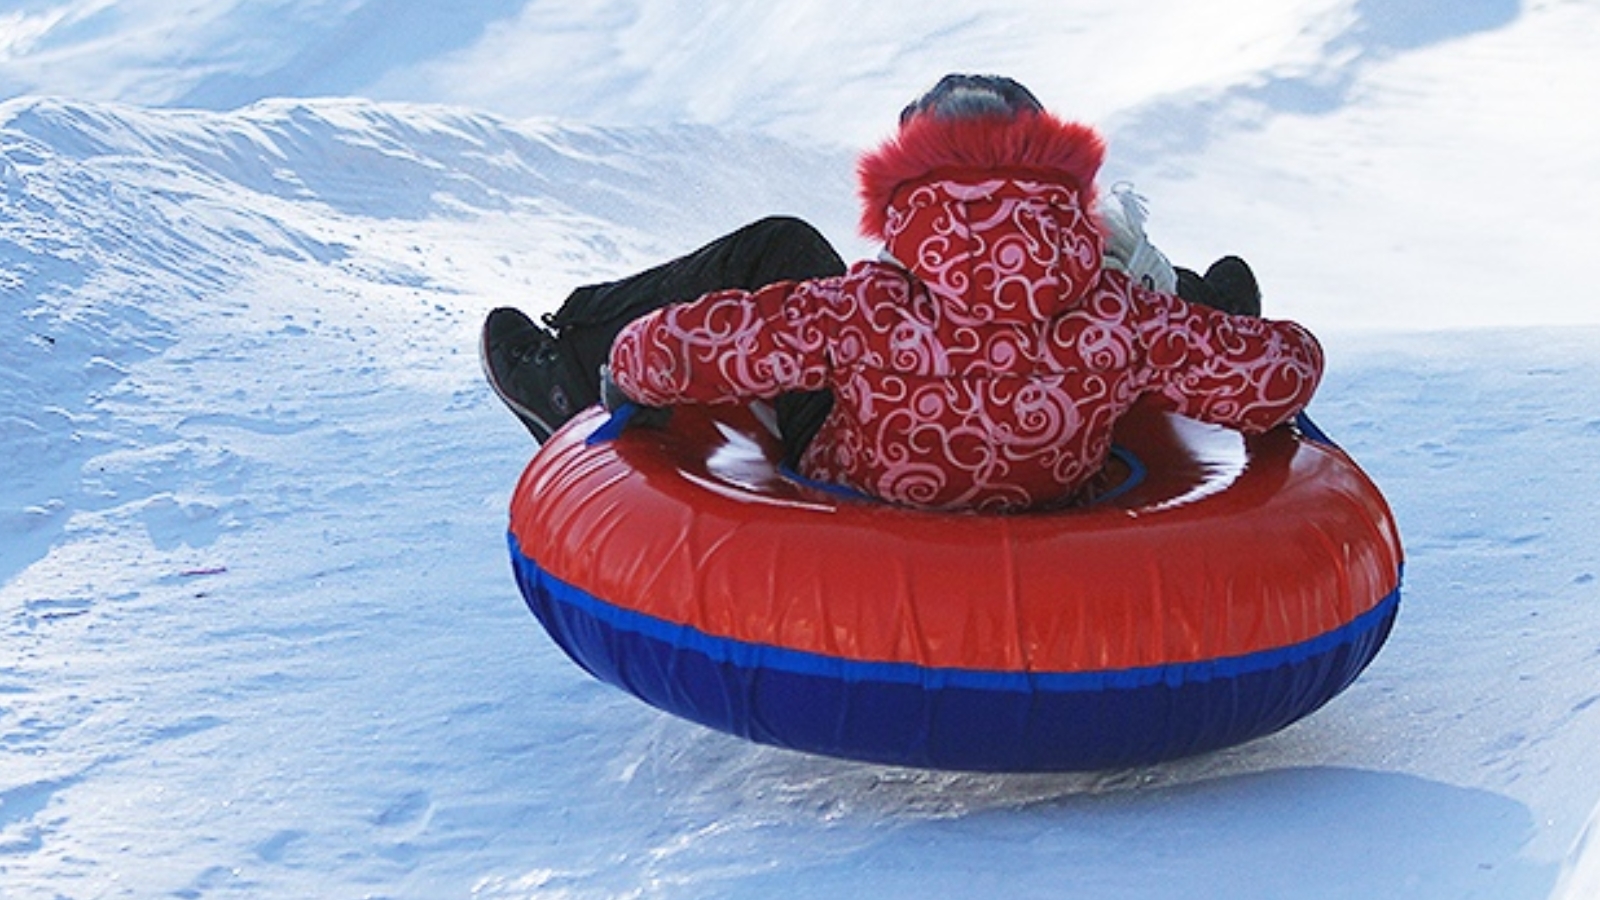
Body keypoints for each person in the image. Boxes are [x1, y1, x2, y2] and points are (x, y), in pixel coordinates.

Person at [482, 74, 1321, 512]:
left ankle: (567, 363)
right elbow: (1287, 371)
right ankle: (1209, 313)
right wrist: (1201, 341)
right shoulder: (1118, 312)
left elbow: (676, 351)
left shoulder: (862, 309)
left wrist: (629, 362)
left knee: (781, 245)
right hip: (1055, 476)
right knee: (1141, 316)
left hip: (866, 483)